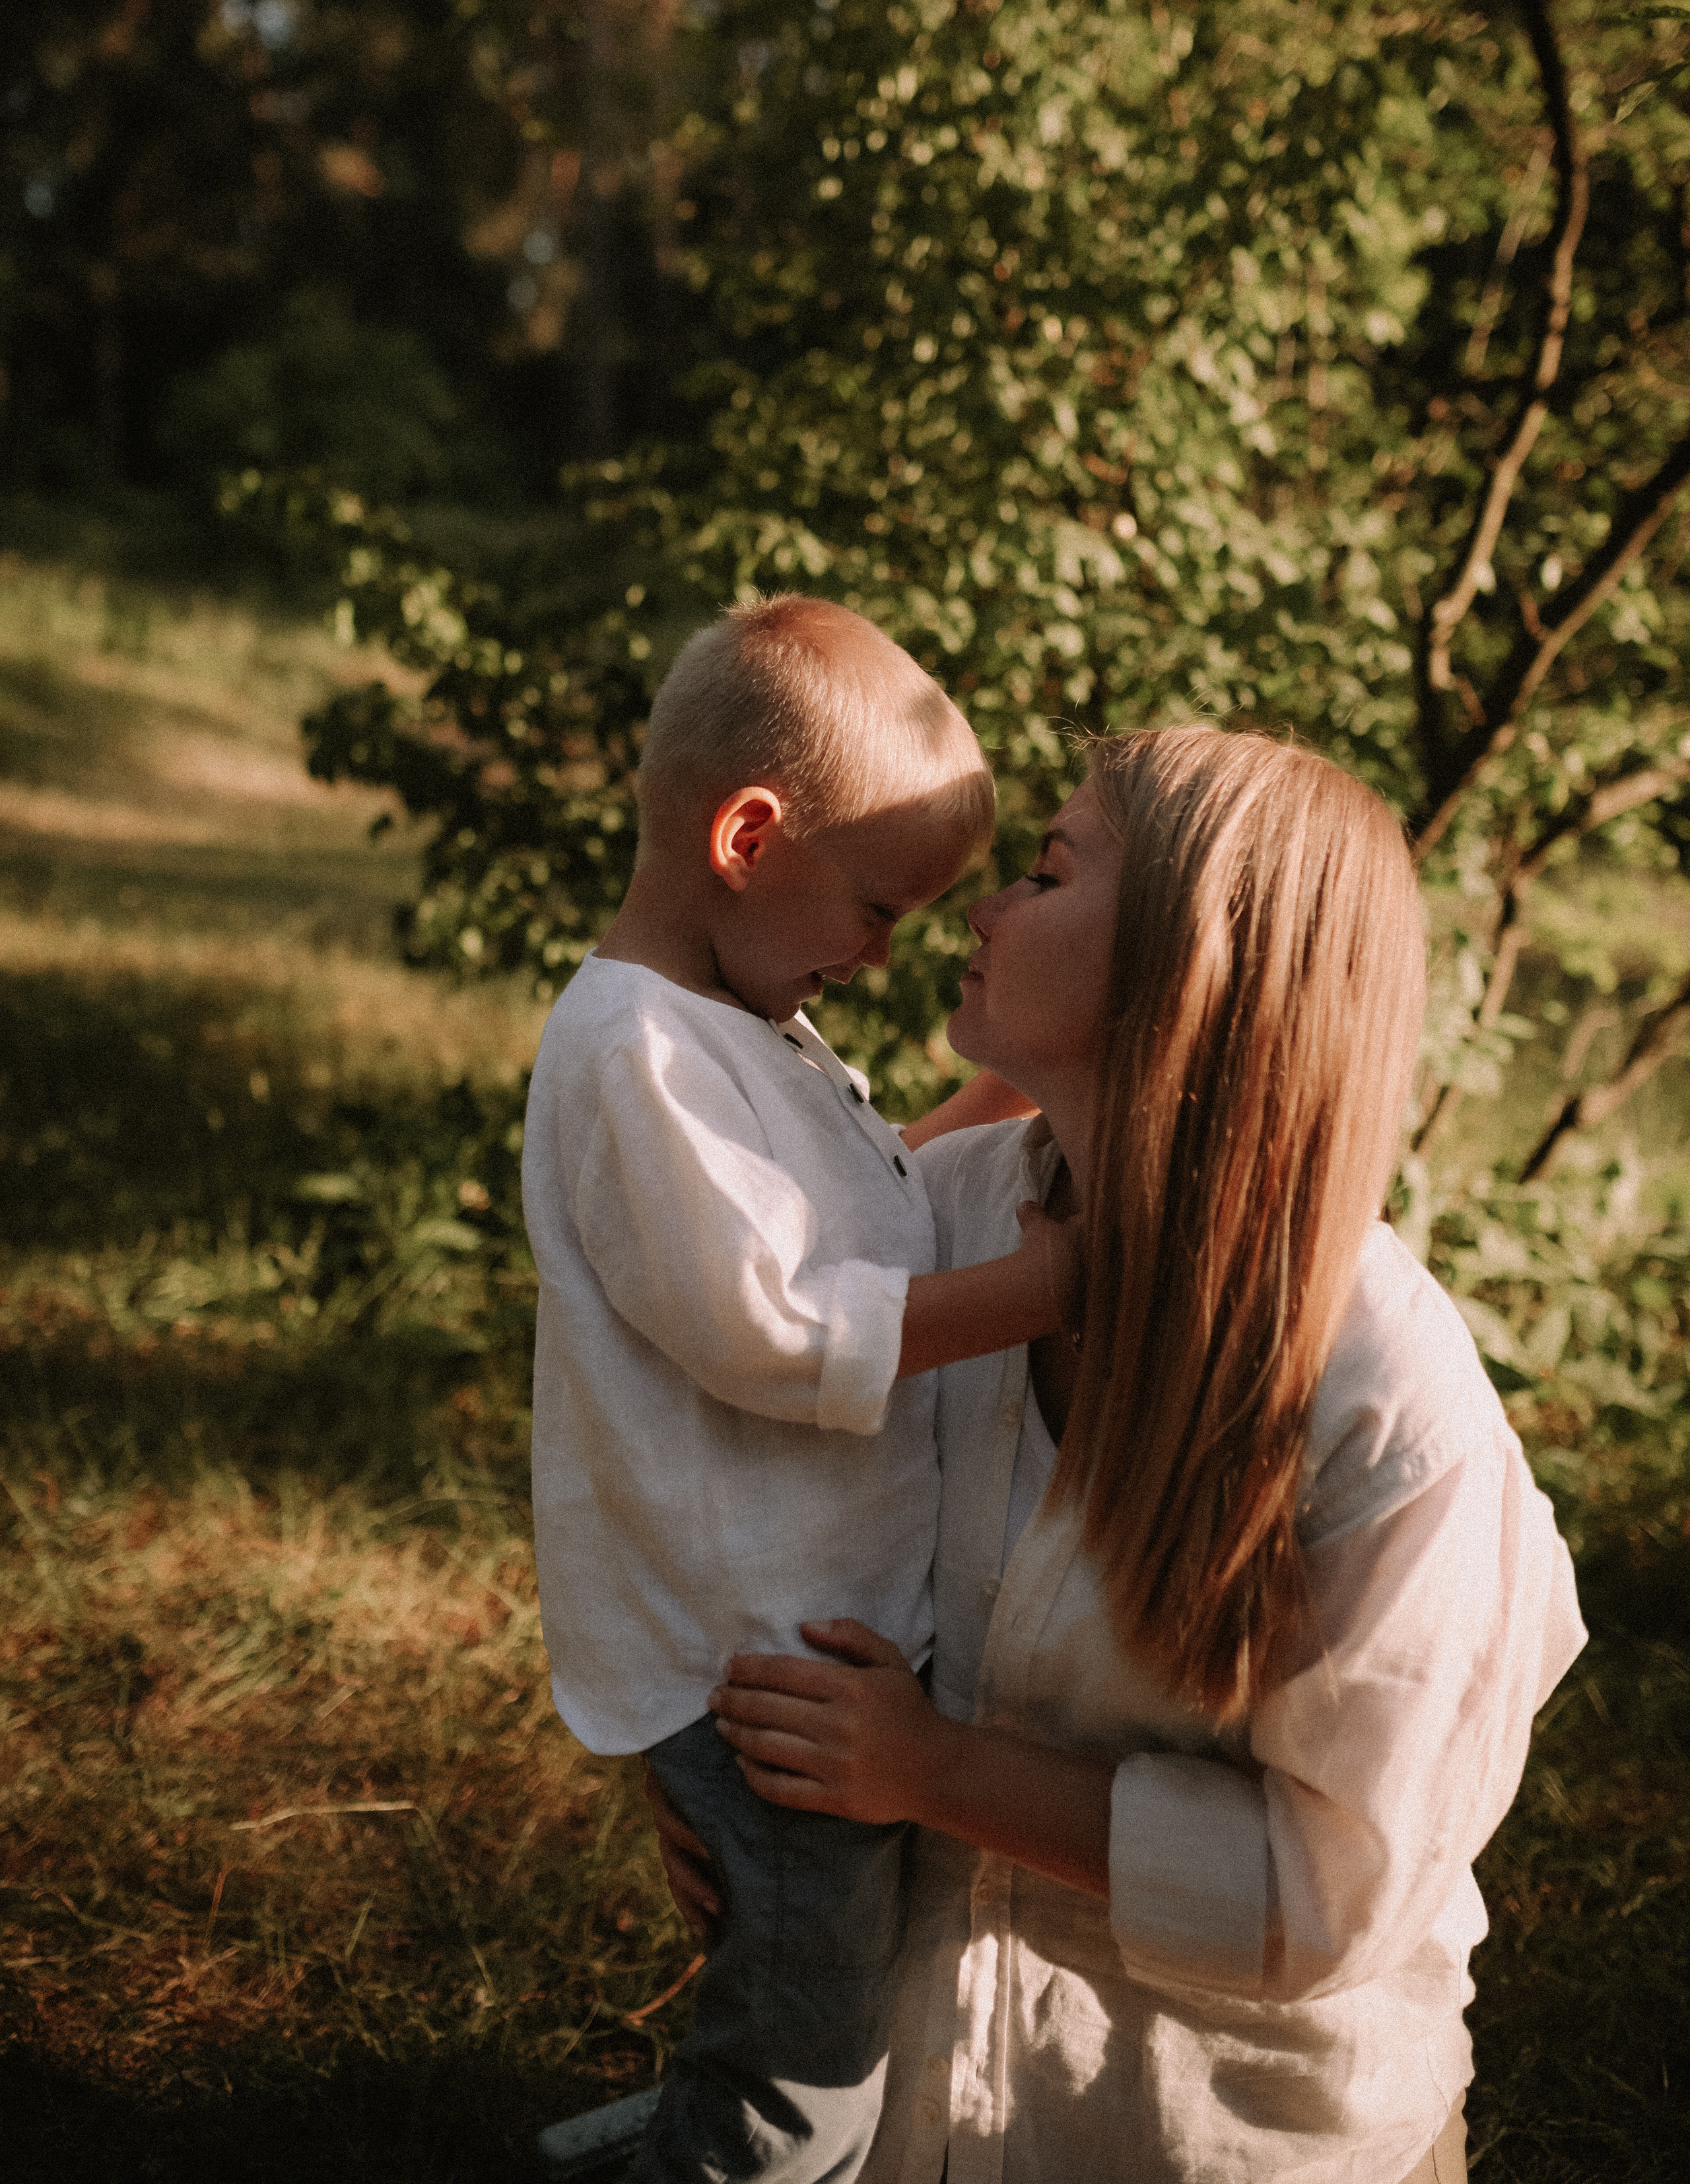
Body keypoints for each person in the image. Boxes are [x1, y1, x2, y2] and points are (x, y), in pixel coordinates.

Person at [683, 726, 1585, 2184]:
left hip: (1219, 2134)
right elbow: (760, 1481)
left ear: (1192, 965)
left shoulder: (1383, 1404)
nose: (975, 907)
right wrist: (739, 1788)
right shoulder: (950, 1218)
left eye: (1043, 872)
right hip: (911, 2091)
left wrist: (928, 1772)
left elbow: (1322, 1896)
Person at [523, 596, 1071, 2184]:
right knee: (807, 2072)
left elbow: (855, 1207)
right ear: (749, 834)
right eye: (881, 907)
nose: (886, 951)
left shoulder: (737, 1022)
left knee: (810, 1991)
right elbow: (773, 1323)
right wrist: (1038, 1293)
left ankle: (705, 2116)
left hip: (818, 1634)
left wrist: (1005, 1093)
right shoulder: (637, 1048)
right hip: (764, 1665)